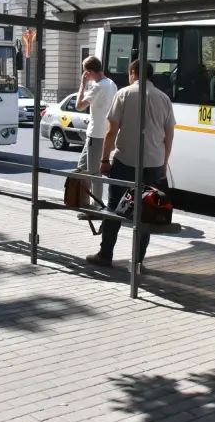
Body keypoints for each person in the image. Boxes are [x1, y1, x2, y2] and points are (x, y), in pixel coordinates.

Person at [85, 60, 176, 270]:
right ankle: (137, 261)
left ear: (133, 73)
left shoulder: (124, 94)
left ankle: (105, 254)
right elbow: (169, 135)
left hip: (125, 161)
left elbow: (111, 130)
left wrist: (105, 159)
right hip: (153, 163)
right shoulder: (164, 99)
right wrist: (164, 163)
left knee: (114, 207)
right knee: (146, 210)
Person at [74, 55, 117, 203]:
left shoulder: (98, 87)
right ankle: (82, 200)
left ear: (91, 72)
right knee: (81, 167)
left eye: (86, 72)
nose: (86, 76)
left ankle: (97, 205)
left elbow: (79, 106)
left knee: (94, 172)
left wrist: (83, 84)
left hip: (96, 134)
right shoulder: (111, 84)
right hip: (102, 132)